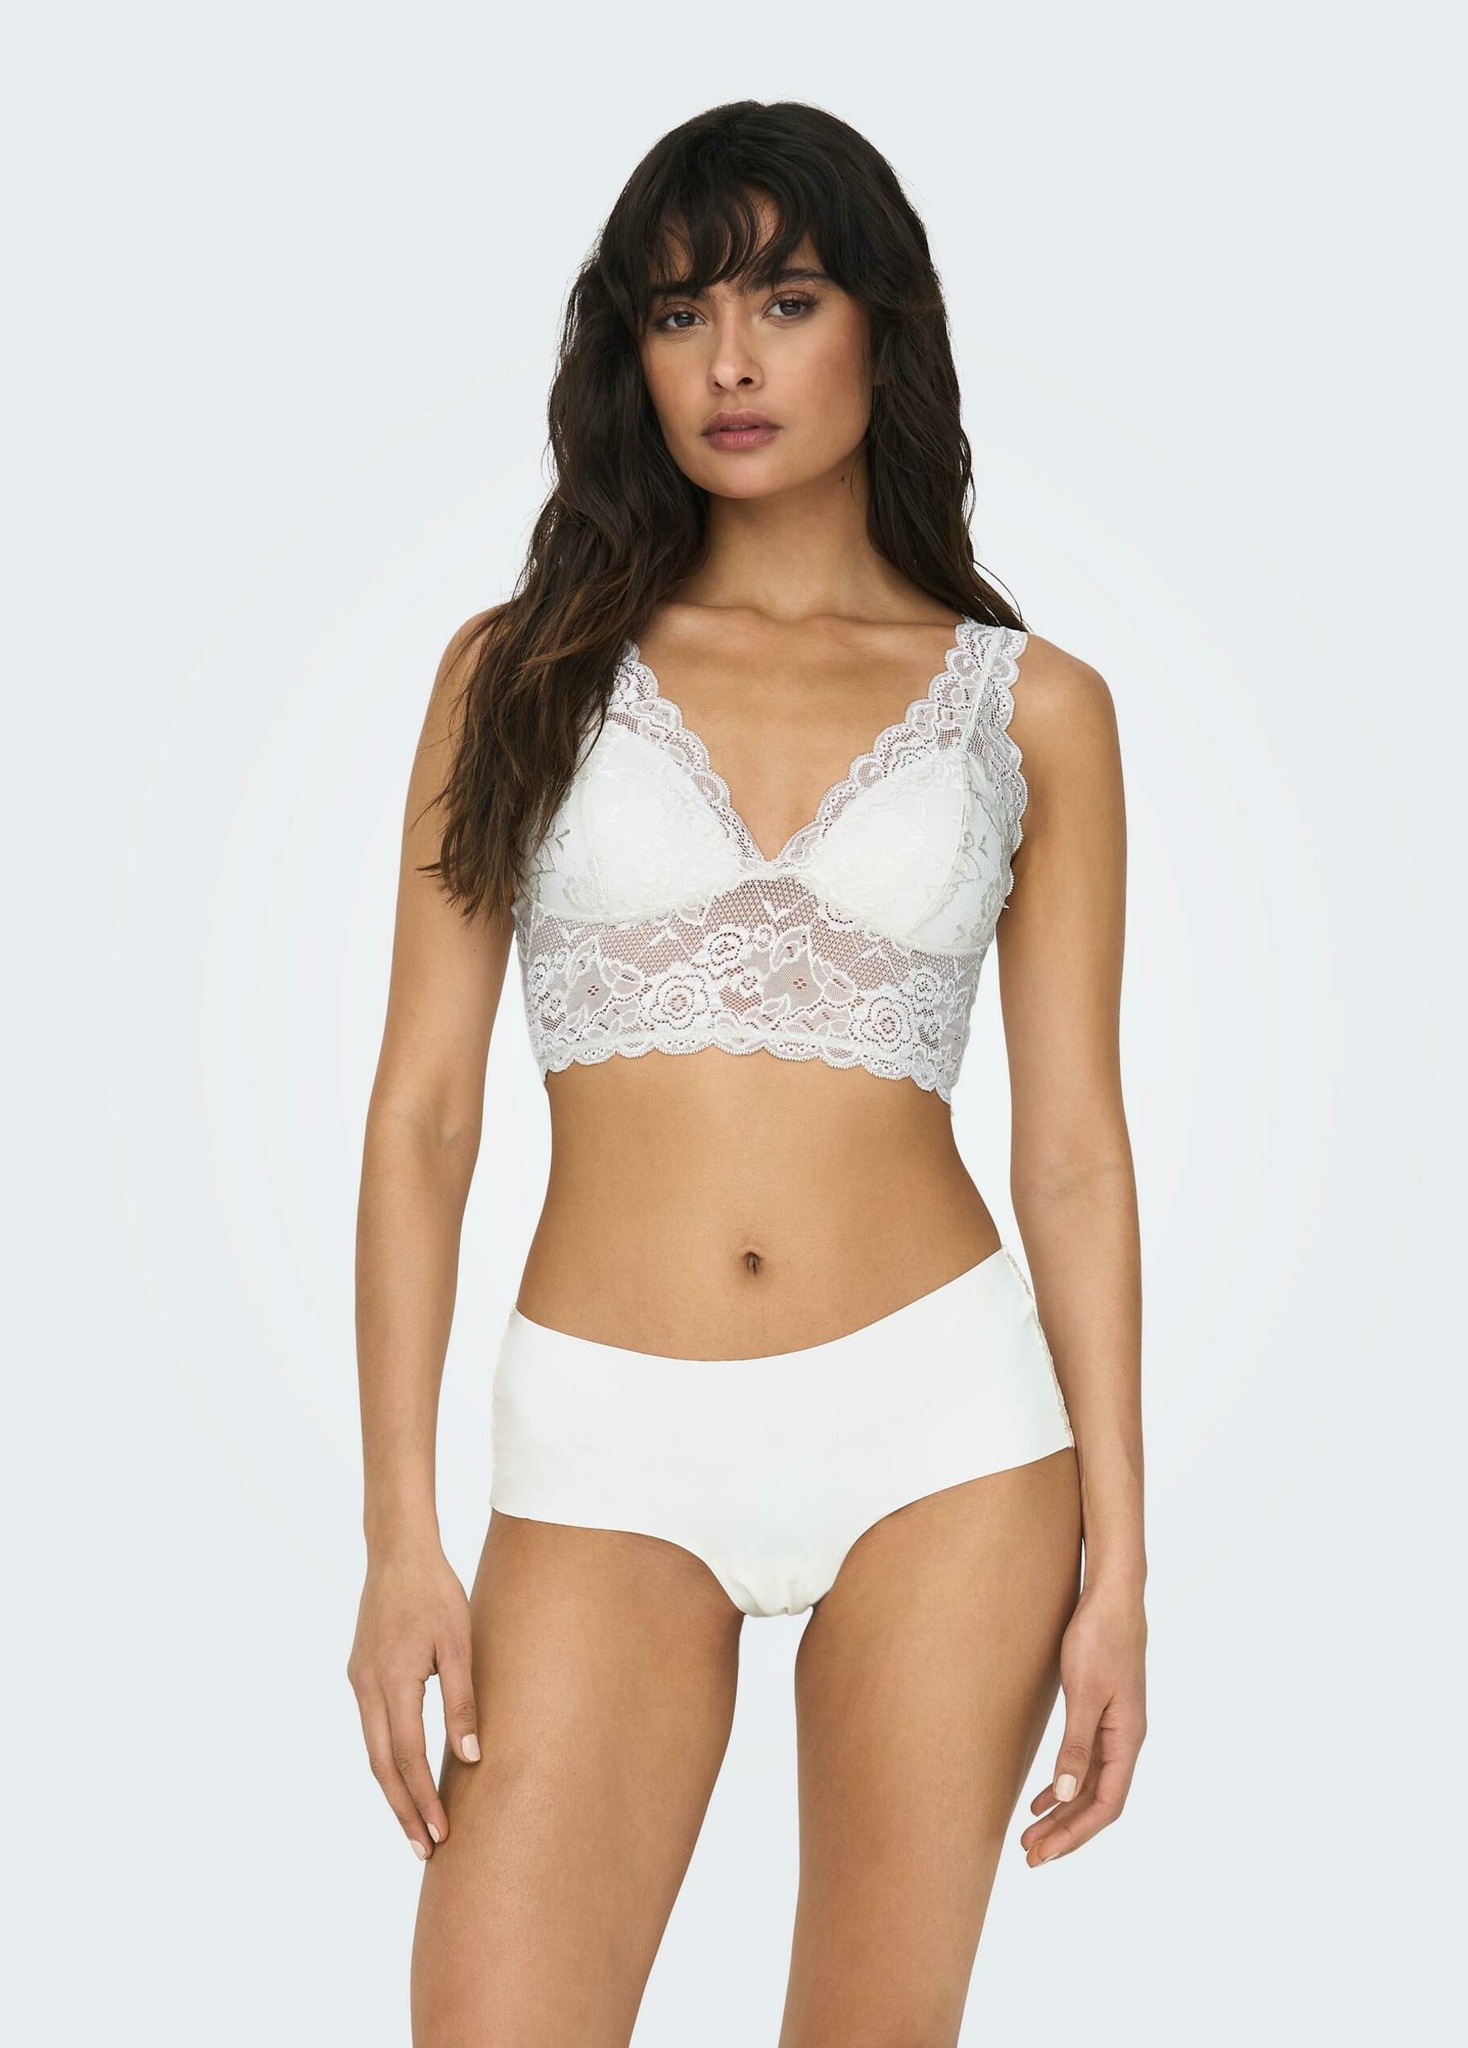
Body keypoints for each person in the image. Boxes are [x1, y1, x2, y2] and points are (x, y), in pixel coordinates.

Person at [348, 98, 1147, 2046]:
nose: (728, 361)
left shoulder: (1033, 708)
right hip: (602, 1439)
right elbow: (425, 1117)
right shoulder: (519, 670)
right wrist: (397, 1534)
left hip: (946, 1435)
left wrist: (1124, 1557)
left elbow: (1071, 1152)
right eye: (678, 310)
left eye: (785, 302)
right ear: (625, 351)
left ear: (882, 328)